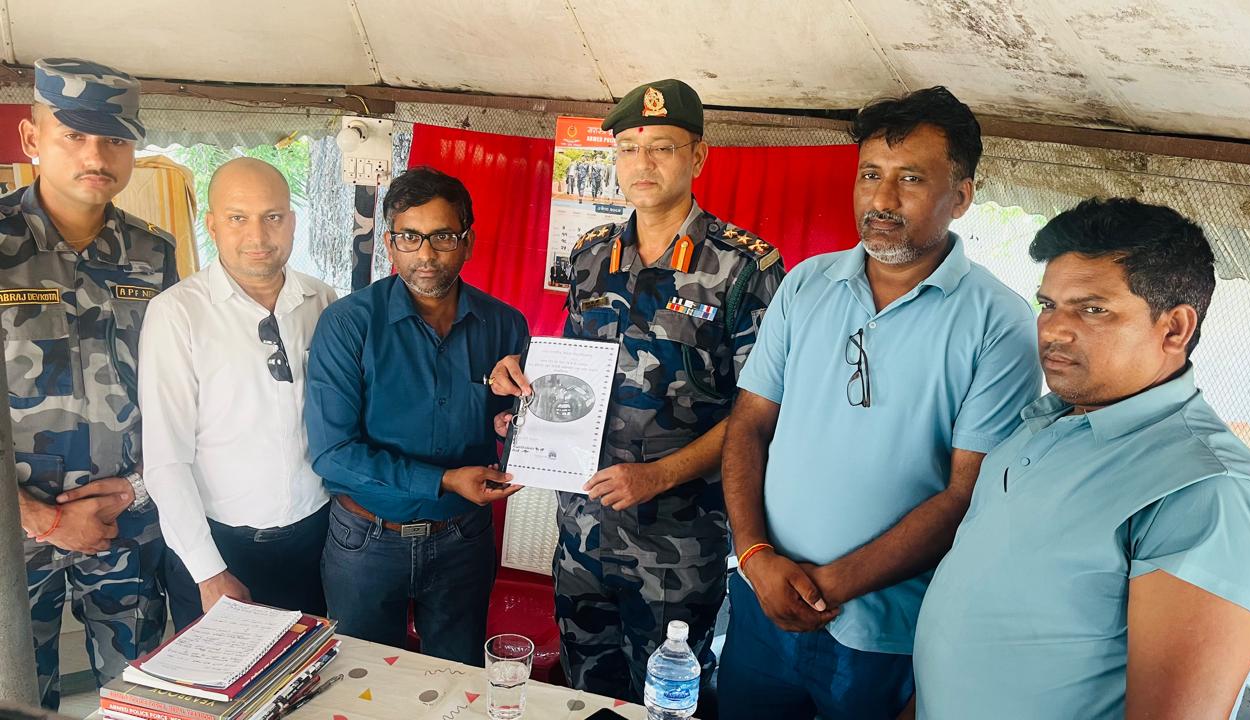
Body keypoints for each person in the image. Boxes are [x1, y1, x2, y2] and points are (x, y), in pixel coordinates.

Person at [718, 86, 1042, 719]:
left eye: (910, 179)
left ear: (962, 196)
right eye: (870, 175)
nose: (882, 199)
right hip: (762, 601)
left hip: (884, 630)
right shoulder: (806, 283)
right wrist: (755, 557)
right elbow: (751, 422)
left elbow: (967, 494)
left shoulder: (1000, 323)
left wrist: (821, 588)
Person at [912, 198, 1250, 719]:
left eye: (1093, 309)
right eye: (1048, 305)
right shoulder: (1045, 424)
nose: (1053, 330)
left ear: (1174, 328)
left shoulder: (1208, 492)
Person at [488, 78, 785, 705]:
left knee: (664, 702)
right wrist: (528, 404)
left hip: (677, 546)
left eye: (662, 148)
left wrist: (659, 475)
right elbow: (576, 374)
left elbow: (760, 412)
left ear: (698, 156)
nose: (642, 164)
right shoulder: (591, 256)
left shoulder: (745, 267)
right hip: (583, 533)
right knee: (583, 694)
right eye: (628, 149)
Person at [6, 58, 178, 709]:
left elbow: (175, 395)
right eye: (73, 135)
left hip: (125, 527)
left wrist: (137, 487)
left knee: (142, 698)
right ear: (31, 138)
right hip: (14, 538)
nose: (96, 156)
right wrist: (45, 519)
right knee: (18, 700)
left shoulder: (154, 254)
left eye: (114, 139)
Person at [304, 166, 527, 665]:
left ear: (468, 242)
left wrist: (511, 423)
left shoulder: (505, 324)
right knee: (362, 682)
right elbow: (332, 454)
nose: (425, 254)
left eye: (443, 236)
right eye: (410, 237)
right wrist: (443, 480)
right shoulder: (348, 324)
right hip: (366, 541)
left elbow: (512, 418)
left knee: (458, 680)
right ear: (390, 243)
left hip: (463, 539)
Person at [139, 157, 336, 631]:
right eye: (237, 218)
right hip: (220, 548)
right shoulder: (177, 314)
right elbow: (166, 458)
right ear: (212, 225)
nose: (258, 235)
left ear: (292, 221)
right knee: (223, 677)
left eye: (273, 217)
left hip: (316, 541)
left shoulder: (323, 301)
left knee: (308, 668)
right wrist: (208, 572)